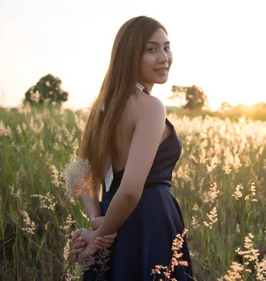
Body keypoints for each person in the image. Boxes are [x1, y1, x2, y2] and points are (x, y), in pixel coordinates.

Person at [69, 16, 194, 280]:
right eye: (151, 49)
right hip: (148, 222)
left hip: (111, 219)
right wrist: (97, 236)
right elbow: (129, 191)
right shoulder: (150, 107)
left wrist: (96, 221)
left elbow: (82, 174)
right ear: (129, 56)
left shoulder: (103, 107)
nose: (164, 57)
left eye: (167, 47)